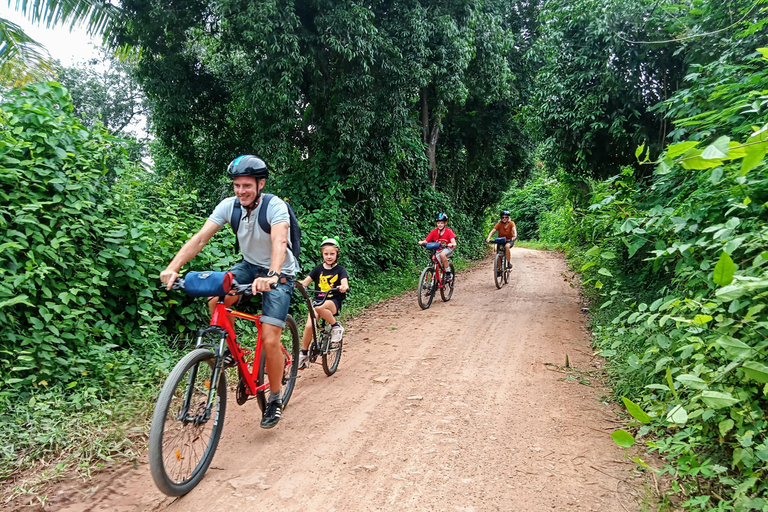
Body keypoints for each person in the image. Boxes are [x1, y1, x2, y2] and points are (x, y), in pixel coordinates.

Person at [160, 155, 299, 429]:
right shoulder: (230, 206)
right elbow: (200, 238)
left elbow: (279, 240)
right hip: (248, 266)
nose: (241, 191)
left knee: (270, 338)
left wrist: (272, 275)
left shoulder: (275, 206)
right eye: (236, 185)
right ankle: (230, 352)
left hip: (279, 271)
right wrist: (173, 267)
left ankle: (274, 397)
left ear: (261, 184)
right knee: (216, 296)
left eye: (247, 185)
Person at [298, 238, 350, 369]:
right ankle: (303, 354)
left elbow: (344, 283)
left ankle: (336, 326)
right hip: (318, 302)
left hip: (332, 301)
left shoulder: (340, 270)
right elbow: (305, 282)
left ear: (337, 254)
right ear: (322, 254)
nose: (329, 256)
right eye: (326, 254)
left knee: (319, 307)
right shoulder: (317, 269)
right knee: (309, 326)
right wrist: (294, 284)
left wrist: (343, 287)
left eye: (332, 254)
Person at [418, 213, 457, 281]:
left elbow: (454, 243)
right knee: (434, 259)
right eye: (438, 223)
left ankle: (448, 272)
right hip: (438, 250)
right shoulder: (434, 232)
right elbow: (426, 240)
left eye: (441, 223)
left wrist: (449, 244)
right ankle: (435, 281)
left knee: (442, 255)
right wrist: (422, 242)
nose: (440, 225)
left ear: (445, 223)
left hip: (448, 249)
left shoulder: (449, 231)